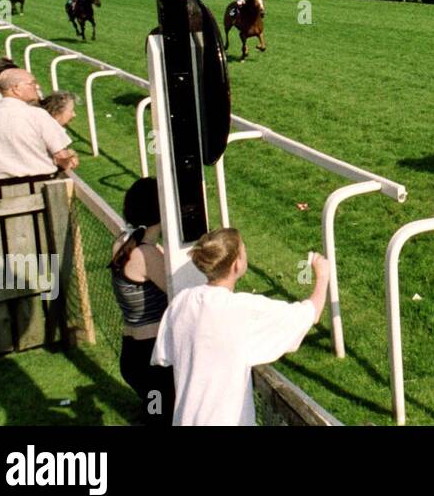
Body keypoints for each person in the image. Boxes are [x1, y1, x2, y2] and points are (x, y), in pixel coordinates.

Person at [151, 228, 330, 426]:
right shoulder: (243, 310)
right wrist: (322, 276)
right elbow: (309, 314)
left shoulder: (181, 301)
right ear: (237, 264)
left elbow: (163, 356)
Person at [110, 178, 175, 426]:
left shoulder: (124, 241)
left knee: (155, 413)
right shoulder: (146, 254)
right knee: (161, 419)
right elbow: (181, 293)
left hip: (133, 354)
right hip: (152, 360)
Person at [0, 68, 78, 187]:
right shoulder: (37, 115)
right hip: (41, 188)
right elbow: (61, 156)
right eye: (32, 83)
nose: (36, 87)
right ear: (15, 89)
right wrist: (69, 160)